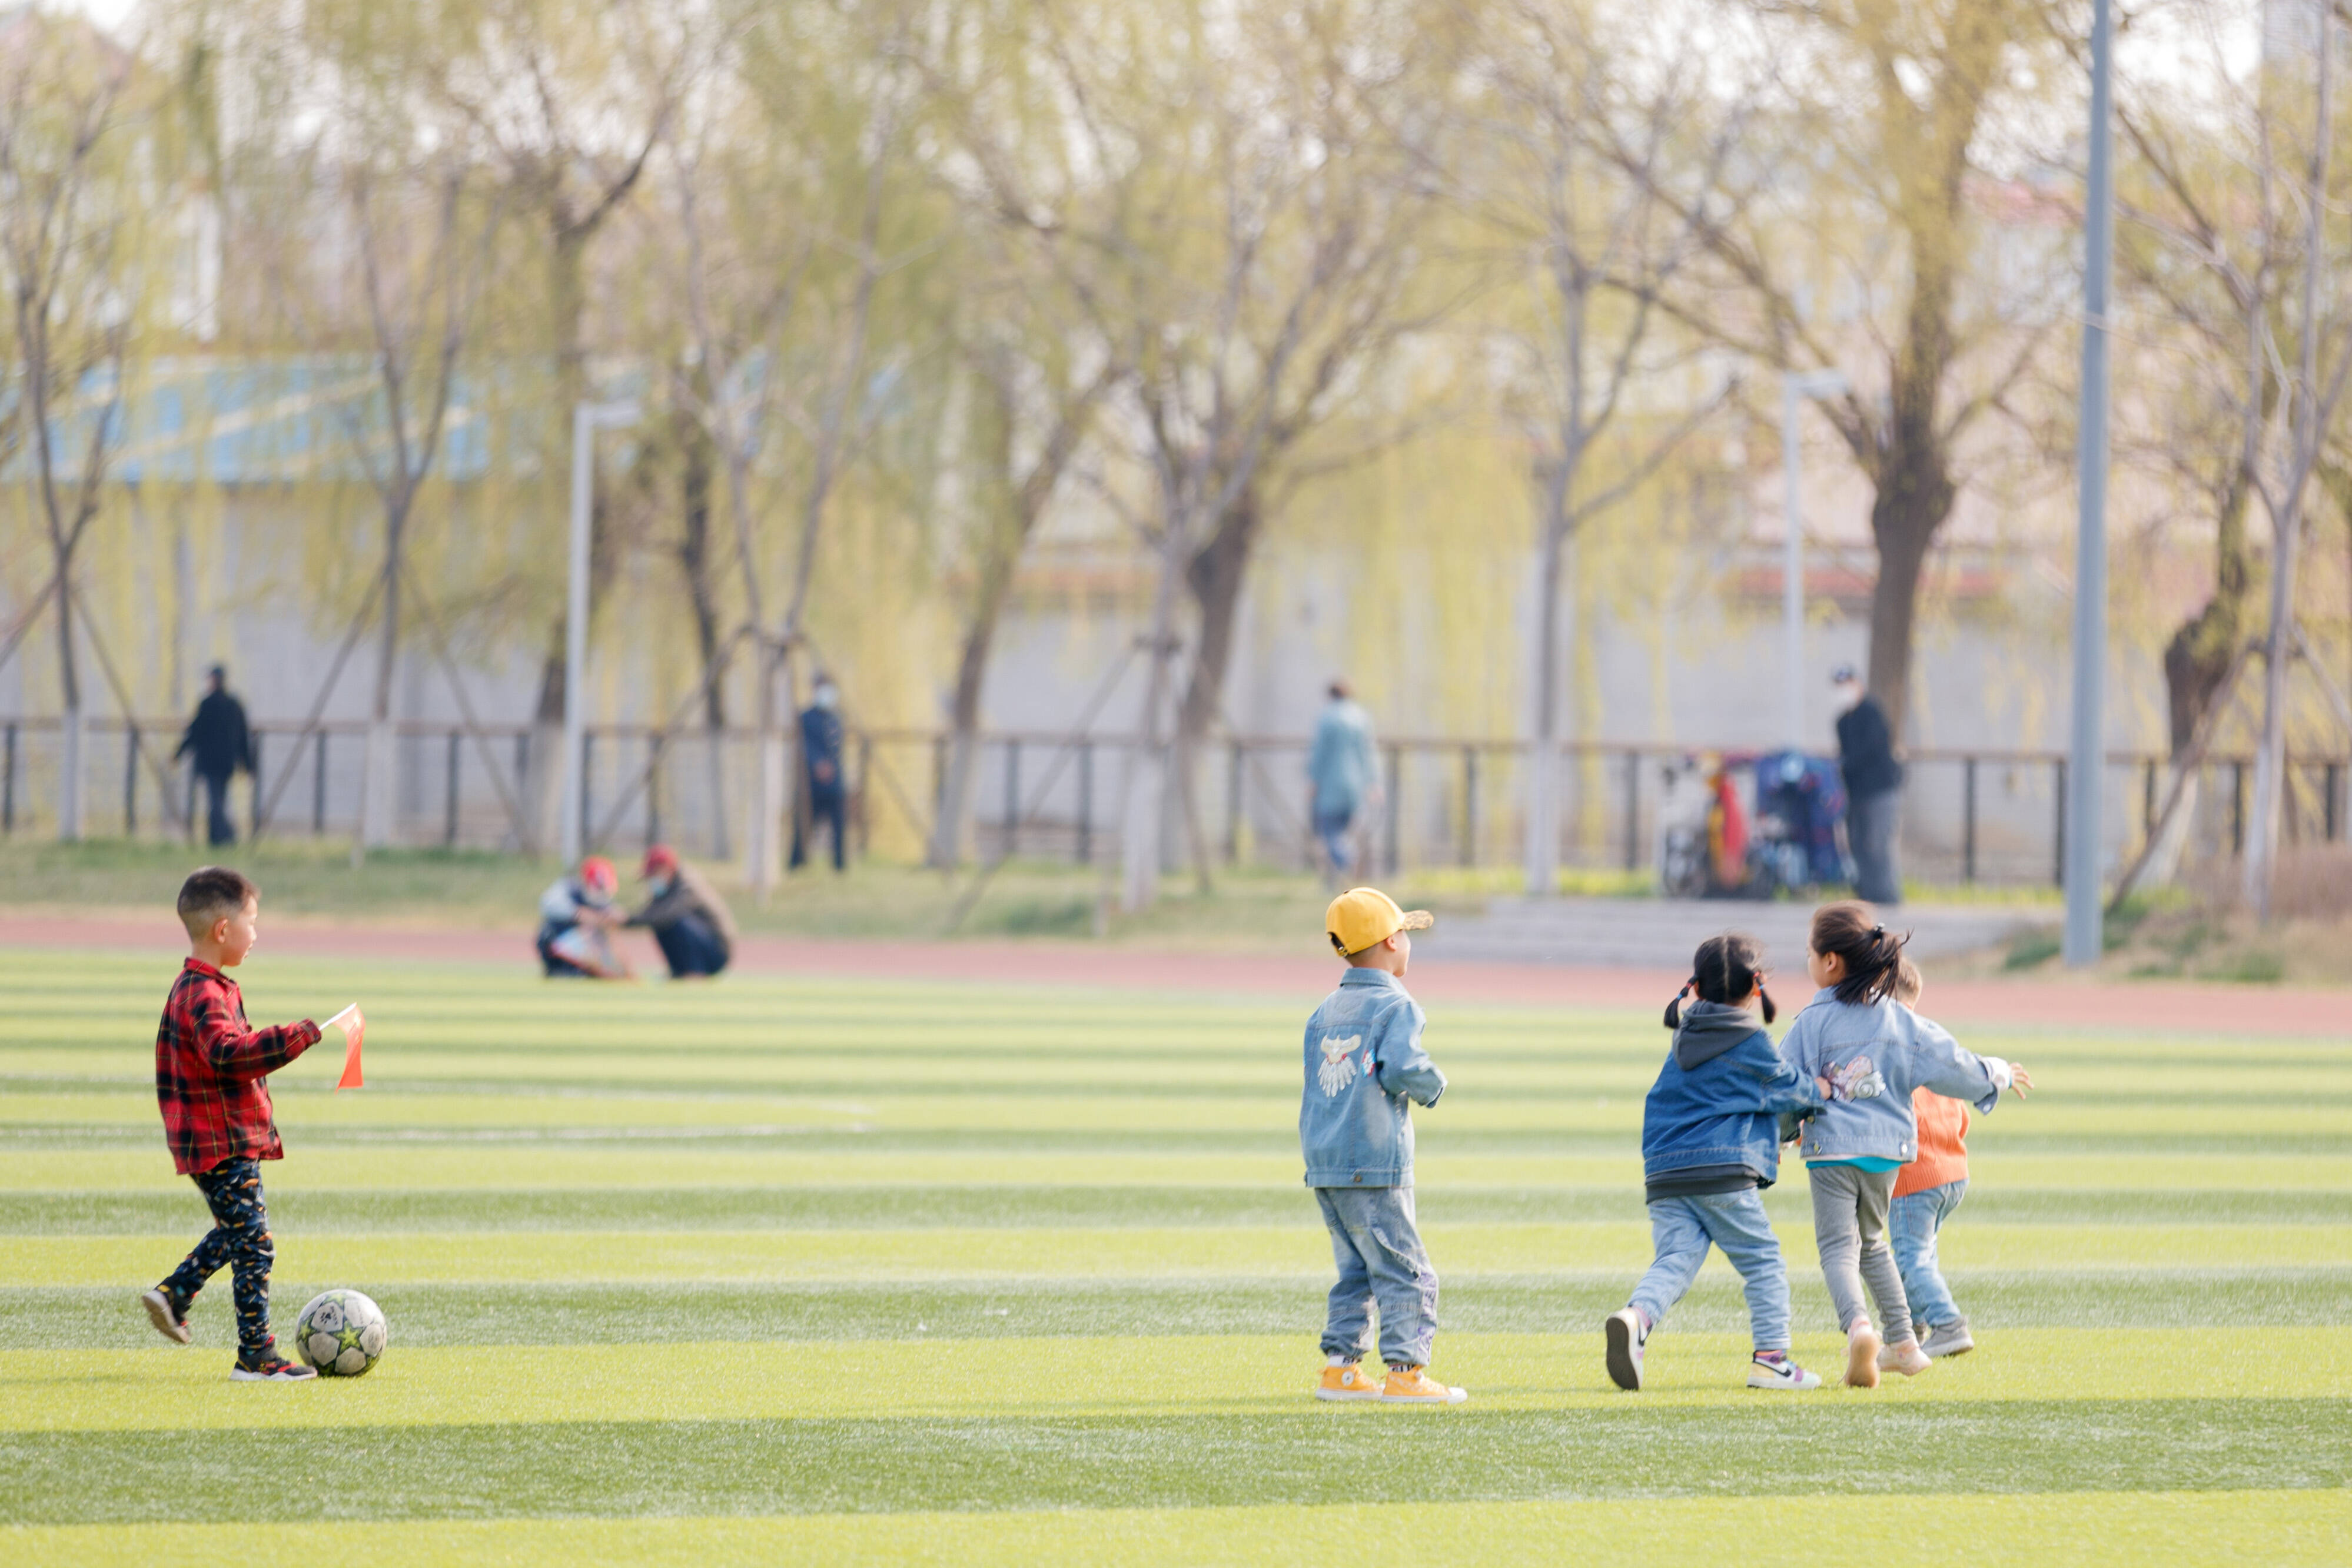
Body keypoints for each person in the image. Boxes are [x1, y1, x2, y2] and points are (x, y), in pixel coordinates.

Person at [1776, 902, 2028, 1388]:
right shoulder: (1899, 1019)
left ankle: (1859, 1329)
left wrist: (1784, 1134)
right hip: (1888, 1155)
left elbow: (1784, 1086)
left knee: (1837, 1247)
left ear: (1831, 962)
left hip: (1833, 1150)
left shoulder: (1812, 1021)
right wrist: (1993, 1073)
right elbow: (1950, 1062)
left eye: (1809, 953)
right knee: (1874, 1244)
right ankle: (1905, 1344)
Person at [1604, 934, 1829, 1394]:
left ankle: (1637, 1317)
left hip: (1665, 1171)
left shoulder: (1687, 1036)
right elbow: (1788, 1087)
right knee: (1763, 1260)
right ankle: (1772, 1361)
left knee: (1676, 1258)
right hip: (1721, 1170)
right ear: (1757, 985)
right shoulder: (1749, 1038)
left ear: (1698, 989)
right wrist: (1821, 1091)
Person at [141, 866, 324, 1380]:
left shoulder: (206, 986)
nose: (256, 933)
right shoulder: (202, 993)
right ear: (223, 930)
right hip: (219, 1141)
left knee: (240, 1229)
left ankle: (176, 1293)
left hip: (216, 1138)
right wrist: (293, 1037)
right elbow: (228, 1054)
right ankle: (256, 1355)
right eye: (253, 922)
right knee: (256, 1244)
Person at [1302, 886, 1466, 1405]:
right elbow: (1403, 1066)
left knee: (1356, 1271)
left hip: (1326, 1162)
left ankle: (1341, 1370)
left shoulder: (1325, 1010)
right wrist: (1434, 1085)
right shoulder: (1398, 1005)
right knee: (1406, 1268)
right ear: (1394, 940)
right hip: (1375, 1162)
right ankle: (1405, 1372)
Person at [1887, 957, 2031, 1360]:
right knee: (1923, 1251)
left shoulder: (1892, 1049)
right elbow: (1960, 1113)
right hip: (1953, 1170)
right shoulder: (1934, 1045)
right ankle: (1912, 1325)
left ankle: (1948, 1324)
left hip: (1914, 1175)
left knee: (1910, 1255)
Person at [1831, 665, 1903, 905]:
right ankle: (1867, 897)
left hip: (1880, 791)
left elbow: (1869, 751)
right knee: (1858, 844)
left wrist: (1846, 764)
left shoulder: (1871, 713)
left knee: (1877, 844)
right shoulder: (1842, 722)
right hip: (1857, 794)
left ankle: (1887, 897)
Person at [626, 844, 736, 979]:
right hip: (704, 943)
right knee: (660, 923)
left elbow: (665, 914)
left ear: (665, 869)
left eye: (653, 875)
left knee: (675, 920)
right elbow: (651, 913)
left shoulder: (687, 885)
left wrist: (627, 920)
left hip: (717, 951)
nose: (651, 881)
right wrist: (625, 918)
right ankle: (679, 971)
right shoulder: (666, 888)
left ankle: (695, 972)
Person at [175, 665, 254, 847]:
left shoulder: (211, 705)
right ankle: (218, 839)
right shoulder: (231, 705)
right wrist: (248, 764)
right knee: (217, 801)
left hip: (213, 764)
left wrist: (178, 754)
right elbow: (242, 738)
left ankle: (225, 836)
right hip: (224, 763)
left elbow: (195, 733)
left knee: (216, 802)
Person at [1307, 680, 1377, 878]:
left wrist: (1313, 780)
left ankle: (1345, 860)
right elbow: (1368, 753)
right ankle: (1341, 874)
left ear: (1331, 696)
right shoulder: (1361, 718)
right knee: (1345, 833)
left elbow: (1319, 753)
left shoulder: (1327, 718)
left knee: (1329, 833)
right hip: (1355, 787)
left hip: (1330, 786)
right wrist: (1373, 784)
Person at [791, 673, 848, 873]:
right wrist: (817, 764)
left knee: (839, 826)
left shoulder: (836, 717)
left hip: (834, 782)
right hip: (812, 784)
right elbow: (803, 745)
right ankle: (797, 863)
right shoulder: (805, 717)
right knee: (804, 825)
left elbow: (838, 747)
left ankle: (840, 866)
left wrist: (831, 767)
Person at [536, 856, 629, 978]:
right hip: (556, 941)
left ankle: (603, 969)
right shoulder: (569, 889)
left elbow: (613, 922)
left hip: (586, 949)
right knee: (586, 932)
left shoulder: (603, 903)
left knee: (602, 934)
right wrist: (579, 914)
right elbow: (547, 904)